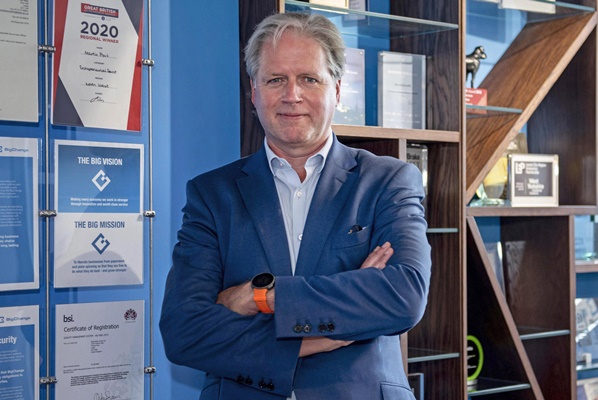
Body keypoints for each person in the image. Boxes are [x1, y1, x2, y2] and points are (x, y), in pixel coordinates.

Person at [160, 11, 432, 400]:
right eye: (275, 79)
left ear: (337, 89)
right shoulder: (212, 194)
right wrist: (320, 336)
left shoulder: (388, 181)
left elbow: (404, 297)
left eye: (309, 79)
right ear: (254, 91)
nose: (292, 95)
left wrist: (261, 297)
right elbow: (183, 331)